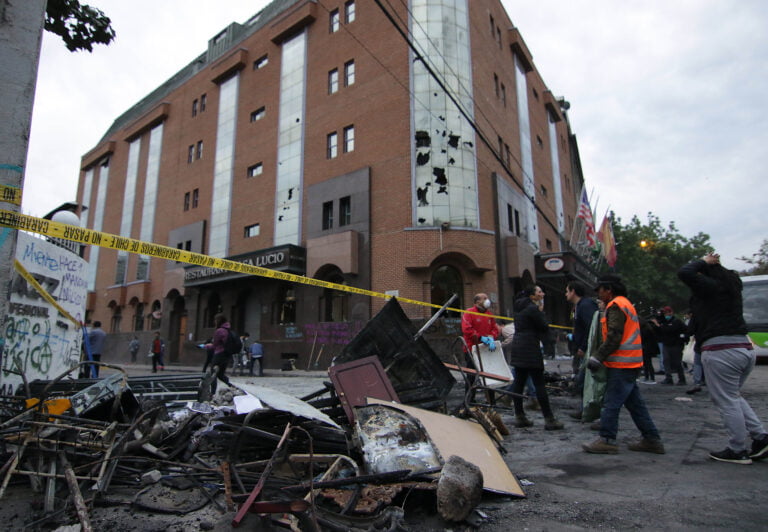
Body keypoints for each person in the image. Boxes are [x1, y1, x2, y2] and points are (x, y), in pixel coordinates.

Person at [678, 253, 768, 464]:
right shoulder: (731, 287)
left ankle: (737, 449)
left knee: (726, 400)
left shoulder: (711, 288)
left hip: (721, 349)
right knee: (733, 396)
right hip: (743, 347)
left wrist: (703, 262)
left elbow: (684, 272)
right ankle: (760, 437)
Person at [582, 274, 665, 454]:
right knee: (635, 403)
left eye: (600, 290)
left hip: (622, 363)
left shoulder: (616, 306)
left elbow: (614, 335)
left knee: (611, 402)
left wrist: (598, 357)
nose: (598, 293)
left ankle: (607, 439)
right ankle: (651, 439)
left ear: (608, 290)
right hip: (630, 362)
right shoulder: (626, 304)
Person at [506, 286, 563, 430]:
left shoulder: (519, 307)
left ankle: (519, 416)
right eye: (539, 292)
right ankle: (549, 419)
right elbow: (543, 326)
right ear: (532, 296)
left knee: (519, 383)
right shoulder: (532, 309)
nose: (542, 294)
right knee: (539, 384)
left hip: (518, 347)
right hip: (530, 347)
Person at [565, 281, 599, 417]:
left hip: (587, 350)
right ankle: (586, 408)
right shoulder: (579, 306)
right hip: (582, 348)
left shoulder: (585, 306)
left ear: (573, 291)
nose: (566, 294)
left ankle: (589, 409)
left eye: (567, 291)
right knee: (581, 380)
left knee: (583, 380)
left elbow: (590, 327)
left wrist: (583, 347)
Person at [460, 293, 499, 398]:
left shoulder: (489, 315)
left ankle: (491, 400)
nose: (488, 300)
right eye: (485, 298)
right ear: (478, 302)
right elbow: (467, 329)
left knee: (489, 375)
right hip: (471, 349)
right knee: (472, 375)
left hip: (485, 350)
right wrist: (481, 338)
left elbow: (495, 328)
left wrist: (492, 337)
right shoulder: (469, 313)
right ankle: (470, 400)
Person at [651, 306, 688, 385]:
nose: (665, 315)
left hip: (676, 344)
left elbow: (669, 330)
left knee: (677, 362)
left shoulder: (677, 321)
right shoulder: (664, 321)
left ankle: (681, 379)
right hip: (667, 343)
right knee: (666, 361)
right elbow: (659, 332)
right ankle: (668, 378)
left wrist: (658, 325)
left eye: (667, 313)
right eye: (664, 313)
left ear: (671, 312)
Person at [210, 314, 234, 391]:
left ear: (218, 321)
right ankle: (232, 386)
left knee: (213, 373)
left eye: (215, 320)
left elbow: (214, 345)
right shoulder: (228, 330)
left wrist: (205, 346)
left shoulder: (219, 331)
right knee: (220, 374)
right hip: (227, 355)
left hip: (219, 355)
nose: (214, 322)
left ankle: (212, 392)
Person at [639, 316, 659, 383]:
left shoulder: (644, 330)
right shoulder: (649, 328)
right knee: (648, 363)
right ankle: (650, 377)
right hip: (649, 347)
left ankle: (648, 377)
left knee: (647, 363)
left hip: (646, 347)